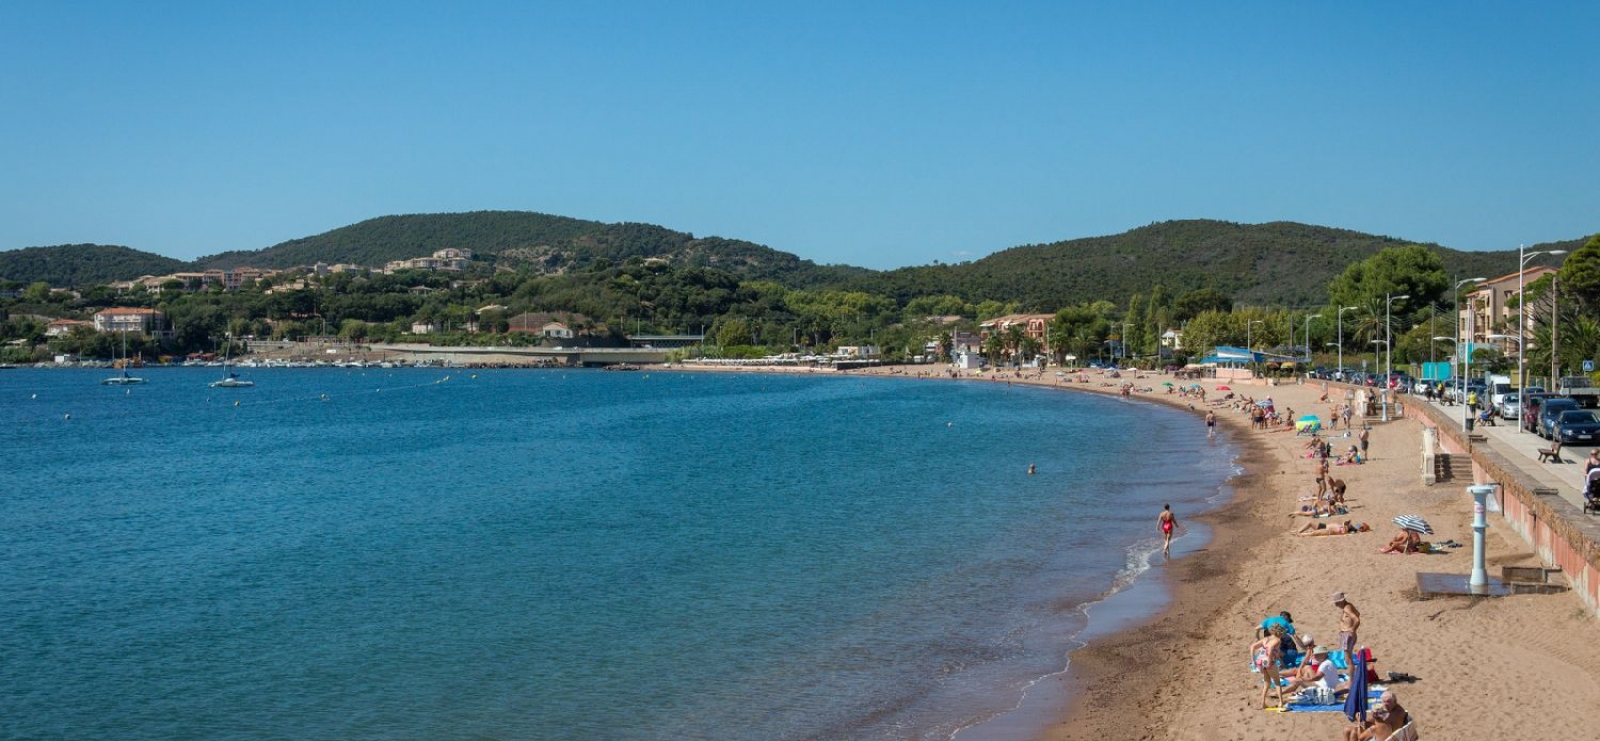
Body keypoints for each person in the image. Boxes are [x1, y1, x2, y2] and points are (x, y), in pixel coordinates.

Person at [1249, 624, 1289, 710]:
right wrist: (1270, 660)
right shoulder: (1277, 640)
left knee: (1267, 682)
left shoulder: (1265, 639)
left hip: (1260, 661)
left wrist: (1253, 660)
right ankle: (1281, 703)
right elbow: (1270, 648)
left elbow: (1252, 646)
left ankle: (1262, 703)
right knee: (1277, 682)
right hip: (1268, 662)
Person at [1333, 592, 1362, 661]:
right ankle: (1352, 671)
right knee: (1349, 658)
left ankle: (1351, 672)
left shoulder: (1347, 609)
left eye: (1337, 603)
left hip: (1347, 635)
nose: (1336, 605)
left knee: (1348, 659)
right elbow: (1358, 613)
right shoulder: (1349, 605)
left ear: (1342, 601)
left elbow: (1357, 619)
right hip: (1348, 635)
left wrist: (1352, 629)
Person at [1295, 520, 1369, 536]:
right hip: (1324, 526)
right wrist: (1344, 523)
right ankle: (1298, 531)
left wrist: (1343, 524)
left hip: (1327, 530)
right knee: (1309, 523)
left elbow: (1344, 532)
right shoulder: (1348, 527)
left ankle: (1299, 534)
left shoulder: (1347, 530)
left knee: (1312, 533)